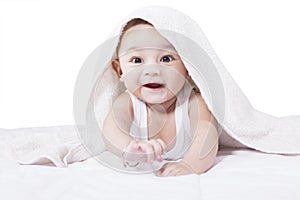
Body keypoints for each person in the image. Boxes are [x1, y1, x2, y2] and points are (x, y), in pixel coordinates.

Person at [102, 18, 219, 177]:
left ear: (187, 67)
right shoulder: (128, 102)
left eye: (166, 59)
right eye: (137, 60)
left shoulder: (193, 101)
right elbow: (111, 130)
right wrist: (128, 148)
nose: (152, 70)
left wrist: (189, 165)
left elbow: (207, 135)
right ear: (120, 70)